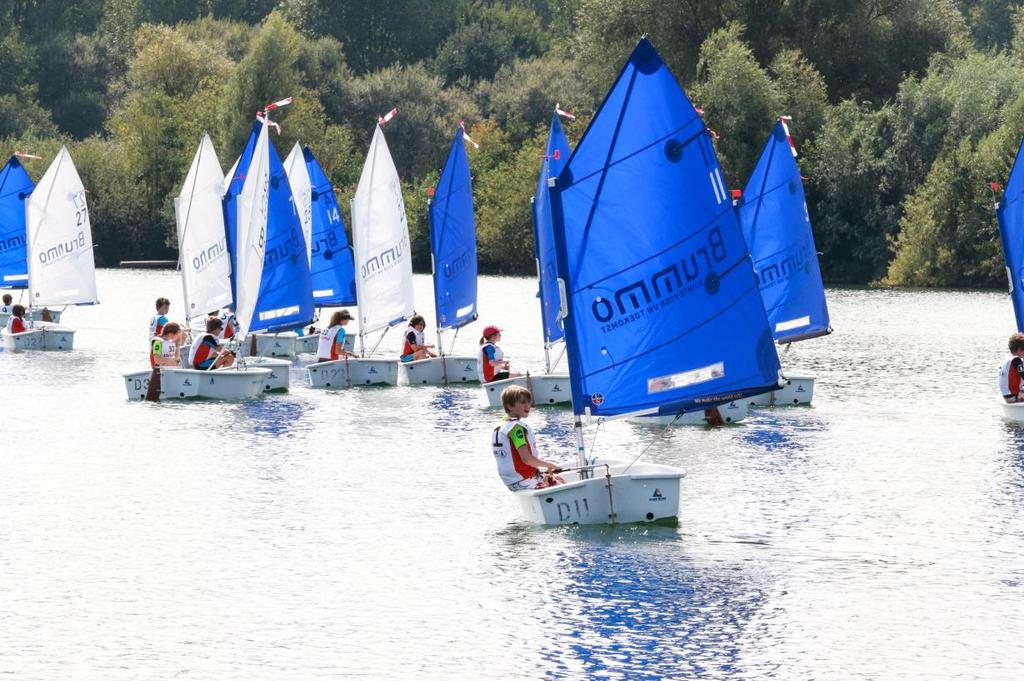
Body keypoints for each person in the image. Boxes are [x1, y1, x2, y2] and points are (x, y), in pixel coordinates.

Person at [491, 385, 564, 491]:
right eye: (523, 402)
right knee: (562, 486)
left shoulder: (503, 425)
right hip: (524, 480)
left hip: (514, 481)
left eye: (529, 402)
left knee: (557, 479)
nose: (528, 405)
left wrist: (545, 464)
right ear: (510, 406)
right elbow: (527, 459)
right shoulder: (516, 429)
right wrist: (550, 464)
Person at [1000, 332, 1024, 402]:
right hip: (1013, 396)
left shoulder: (1007, 359)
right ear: (1020, 349)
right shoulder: (1016, 360)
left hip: (1006, 395)